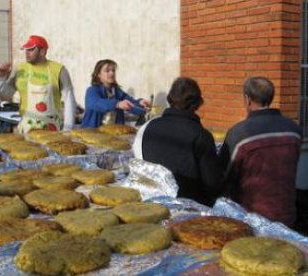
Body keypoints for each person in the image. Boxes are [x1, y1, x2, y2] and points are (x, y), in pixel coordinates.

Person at [218, 76, 302, 227]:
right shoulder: (294, 129)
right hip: (288, 213)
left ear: (247, 99)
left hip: (252, 217)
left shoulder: (239, 133)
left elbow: (224, 175)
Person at [133, 77, 222, 206]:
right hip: (189, 207)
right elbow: (213, 184)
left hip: (150, 202)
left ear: (170, 99)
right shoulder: (202, 136)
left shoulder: (147, 126)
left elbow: (137, 164)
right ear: (198, 103)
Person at [0, 35, 76, 133]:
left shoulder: (59, 70)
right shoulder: (20, 70)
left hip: (52, 128)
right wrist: (0, 77)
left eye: (31, 49)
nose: (26, 53)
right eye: (25, 50)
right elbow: (5, 96)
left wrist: (68, 127)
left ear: (43, 51)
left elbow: (69, 98)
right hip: (26, 127)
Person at [81, 59, 150, 128]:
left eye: (113, 70)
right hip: (93, 133)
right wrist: (117, 104)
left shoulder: (117, 92)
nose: (112, 73)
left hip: (113, 133)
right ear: (99, 74)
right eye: (107, 71)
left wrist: (140, 103)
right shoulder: (92, 90)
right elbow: (95, 103)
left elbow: (130, 103)